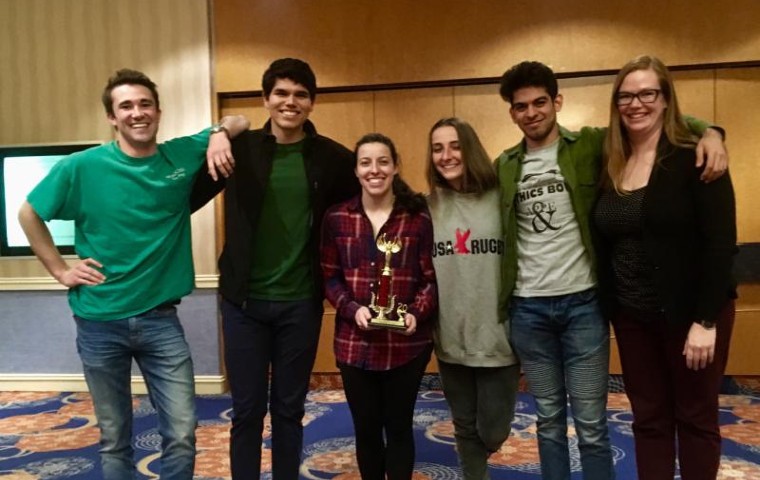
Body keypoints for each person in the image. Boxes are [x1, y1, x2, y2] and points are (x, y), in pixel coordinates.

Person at [495, 60, 728, 480]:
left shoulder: (592, 146)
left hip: (605, 306)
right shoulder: (515, 165)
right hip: (592, 311)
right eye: (521, 106)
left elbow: (717, 243)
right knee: (608, 418)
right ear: (511, 112)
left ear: (557, 102)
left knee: (602, 421)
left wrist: (713, 131)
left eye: (540, 102)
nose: (531, 112)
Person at [17, 68, 249, 479]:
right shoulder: (82, 167)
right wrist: (59, 270)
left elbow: (240, 121)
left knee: (181, 430)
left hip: (162, 320)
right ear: (112, 117)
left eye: (145, 104)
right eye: (126, 106)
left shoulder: (179, 155)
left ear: (158, 111)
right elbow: (29, 212)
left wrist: (217, 132)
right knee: (114, 436)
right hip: (99, 319)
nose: (137, 113)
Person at [190, 58, 360, 479]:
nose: (290, 102)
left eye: (300, 94)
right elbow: (184, 197)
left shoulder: (333, 158)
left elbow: (370, 204)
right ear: (266, 99)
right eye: (281, 93)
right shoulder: (239, 149)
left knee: (289, 410)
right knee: (246, 412)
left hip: (300, 303)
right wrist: (216, 133)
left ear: (312, 103)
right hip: (243, 304)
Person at [592, 55, 737, 480]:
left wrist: (705, 320)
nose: (636, 104)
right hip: (633, 316)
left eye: (647, 93)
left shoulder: (697, 157)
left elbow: (720, 244)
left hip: (691, 315)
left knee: (695, 417)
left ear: (665, 99)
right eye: (626, 96)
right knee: (649, 419)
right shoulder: (610, 161)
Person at [320, 133, 437, 480]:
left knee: (400, 427)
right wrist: (351, 308)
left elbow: (431, 279)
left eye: (383, 161)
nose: (375, 170)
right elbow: (329, 277)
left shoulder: (417, 218)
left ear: (396, 166)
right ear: (356, 170)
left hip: (407, 346)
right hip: (355, 346)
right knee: (367, 430)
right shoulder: (336, 218)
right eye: (366, 162)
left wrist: (417, 312)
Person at [425, 117, 520, 480]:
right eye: (437, 148)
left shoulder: (501, 199)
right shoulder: (427, 206)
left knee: (493, 431)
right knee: (463, 426)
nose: (446, 155)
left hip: (498, 336)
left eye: (454, 146)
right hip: (450, 336)